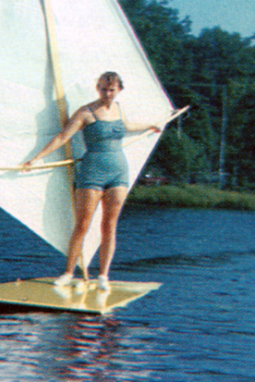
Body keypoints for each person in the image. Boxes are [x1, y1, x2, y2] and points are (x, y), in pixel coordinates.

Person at [23, 71, 161, 291]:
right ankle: (68, 273)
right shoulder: (85, 112)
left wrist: (151, 125)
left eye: (111, 89)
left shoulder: (119, 108)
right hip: (91, 172)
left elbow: (127, 126)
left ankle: (104, 276)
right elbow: (62, 137)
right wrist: (35, 158)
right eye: (103, 88)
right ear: (97, 88)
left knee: (109, 225)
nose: (107, 93)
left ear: (119, 90)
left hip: (118, 172)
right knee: (82, 225)